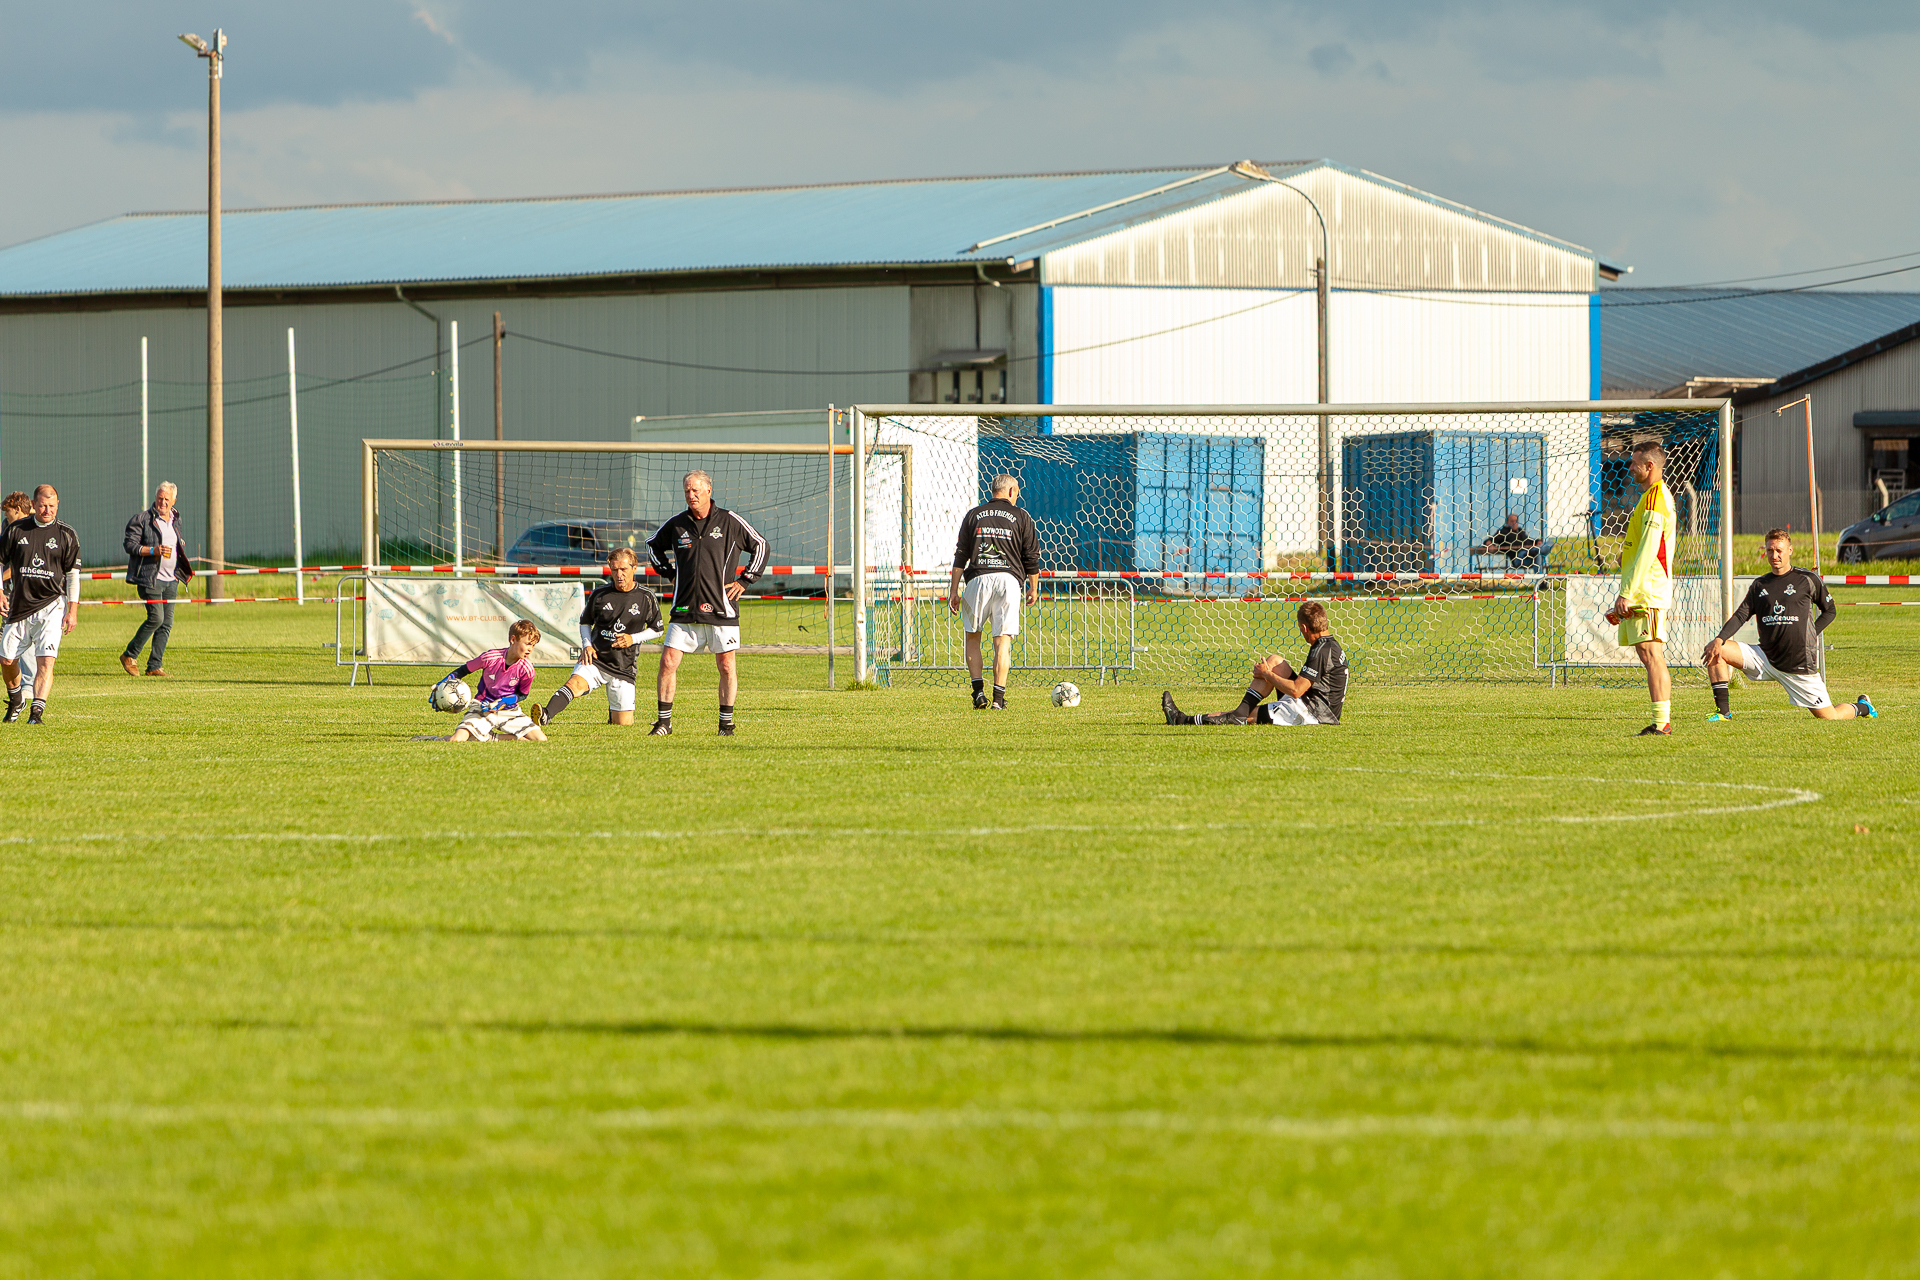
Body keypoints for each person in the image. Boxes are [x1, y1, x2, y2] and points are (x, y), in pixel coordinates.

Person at [1699, 529, 1876, 722]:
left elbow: (1830, 610)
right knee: (1717, 649)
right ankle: (1723, 713)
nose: (1774, 555)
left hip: (1798, 664)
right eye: (1770, 550)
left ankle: (1864, 706)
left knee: (1830, 716)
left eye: (1779, 550)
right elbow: (1741, 615)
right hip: (1765, 657)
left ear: (1790, 550)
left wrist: (1812, 633)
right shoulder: (1759, 585)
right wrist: (1720, 638)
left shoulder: (1807, 579)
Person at [645, 470, 768, 736]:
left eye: (696, 490)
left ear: (709, 491)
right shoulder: (677, 524)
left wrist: (746, 580)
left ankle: (726, 725)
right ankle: (664, 723)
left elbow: (761, 545)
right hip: (684, 608)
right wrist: (669, 573)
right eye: (687, 491)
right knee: (668, 662)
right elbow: (652, 545)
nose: (691, 495)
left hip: (722, 607)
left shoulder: (729, 521)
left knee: (726, 666)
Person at [1162, 601, 1349, 726]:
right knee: (1274, 661)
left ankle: (1182, 720)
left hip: (1313, 713)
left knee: (1249, 716)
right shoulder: (1330, 645)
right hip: (1314, 703)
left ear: (1304, 628)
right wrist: (1269, 671)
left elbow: (1296, 690)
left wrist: (1267, 674)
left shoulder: (1320, 651)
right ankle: (1240, 713)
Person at [540, 548, 664, 728]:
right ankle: (545, 715)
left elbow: (658, 629)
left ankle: (613, 714)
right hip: (595, 659)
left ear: (634, 568)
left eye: (623, 569)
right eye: (615, 570)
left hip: (623, 666)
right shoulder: (600, 594)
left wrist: (633, 638)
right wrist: (587, 645)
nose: (619, 575)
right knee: (575, 684)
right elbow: (585, 622)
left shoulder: (646, 597)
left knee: (623, 724)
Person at [948, 473, 1040, 710]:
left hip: (977, 580)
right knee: (1002, 641)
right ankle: (998, 699)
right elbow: (1031, 556)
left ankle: (978, 693)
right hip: (1008, 581)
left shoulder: (974, 514)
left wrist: (954, 590)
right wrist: (1033, 587)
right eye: (1017, 492)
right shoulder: (1021, 516)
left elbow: (961, 554)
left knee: (973, 637)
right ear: (1010, 491)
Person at [1, 484, 83, 725]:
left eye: (52, 506)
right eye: (43, 506)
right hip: (19, 606)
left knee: (45, 661)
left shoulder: (67, 534)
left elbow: (73, 576)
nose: (48, 510)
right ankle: (17, 699)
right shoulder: (16, 529)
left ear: (58, 505)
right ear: (34, 505)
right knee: (6, 660)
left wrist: (72, 611)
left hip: (52, 606)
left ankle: (36, 713)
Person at [1609, 441, 1675, 736]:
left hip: (1647, 591)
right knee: (1648, 654)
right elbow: (1643, 546)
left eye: (1635, 463)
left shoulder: (1655, 498)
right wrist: (1625, 557)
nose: (1630, 468)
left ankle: (1662, 724)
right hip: (1643, 588)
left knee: (1652, 654)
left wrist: (1627, 592)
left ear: (1649, 466)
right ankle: (1660, 722)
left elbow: (1649, 551)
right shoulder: (1650, 496)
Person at [430, 618, 549, 742]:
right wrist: (441, 685)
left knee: (540, 739)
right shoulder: (490, 657)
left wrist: (504, 702)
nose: (530, 649)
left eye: (533, 645)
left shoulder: (527, 669)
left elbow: (522, 695)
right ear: (513, 640)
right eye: (528, 644)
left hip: (509, 711)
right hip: (482, 708)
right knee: (456, 739)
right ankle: (435, 739)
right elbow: (463, 670)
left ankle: (491, 737)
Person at [120, 481, 194, 678]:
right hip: (150, 578)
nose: (162, 502)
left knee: (166, 623)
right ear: (155, 498)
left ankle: (154, 666)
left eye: (166, 499)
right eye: (160, 498)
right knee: (156, 618)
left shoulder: (176, 519)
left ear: (174, 500)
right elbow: (129, 545)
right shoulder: (142, 519)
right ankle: (129, 655)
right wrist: (153, 550)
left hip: (172, 580)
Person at [0, 493, 32, 694]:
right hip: (10, 591)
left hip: (26, 594)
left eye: (8, 511)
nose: (6, 515)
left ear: (18, 509)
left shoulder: (30, 529)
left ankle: (27, 685)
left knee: (22, 637)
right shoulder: (9, 527)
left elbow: (19, 565)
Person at [1475, 513, 1543, 570]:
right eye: (1512, 521)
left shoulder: (1520, 532)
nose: (1514, 523)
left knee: (1539, 554)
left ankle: (1540, 579)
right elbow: (1493, 539)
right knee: (1538, 553)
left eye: (1516, 521)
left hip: (1529, 556)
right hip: (1518, 559)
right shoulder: (1504, 532)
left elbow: (1528, 540)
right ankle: (1541, 579)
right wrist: (1489, 543)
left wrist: (1537, 541)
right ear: (1507, 522)